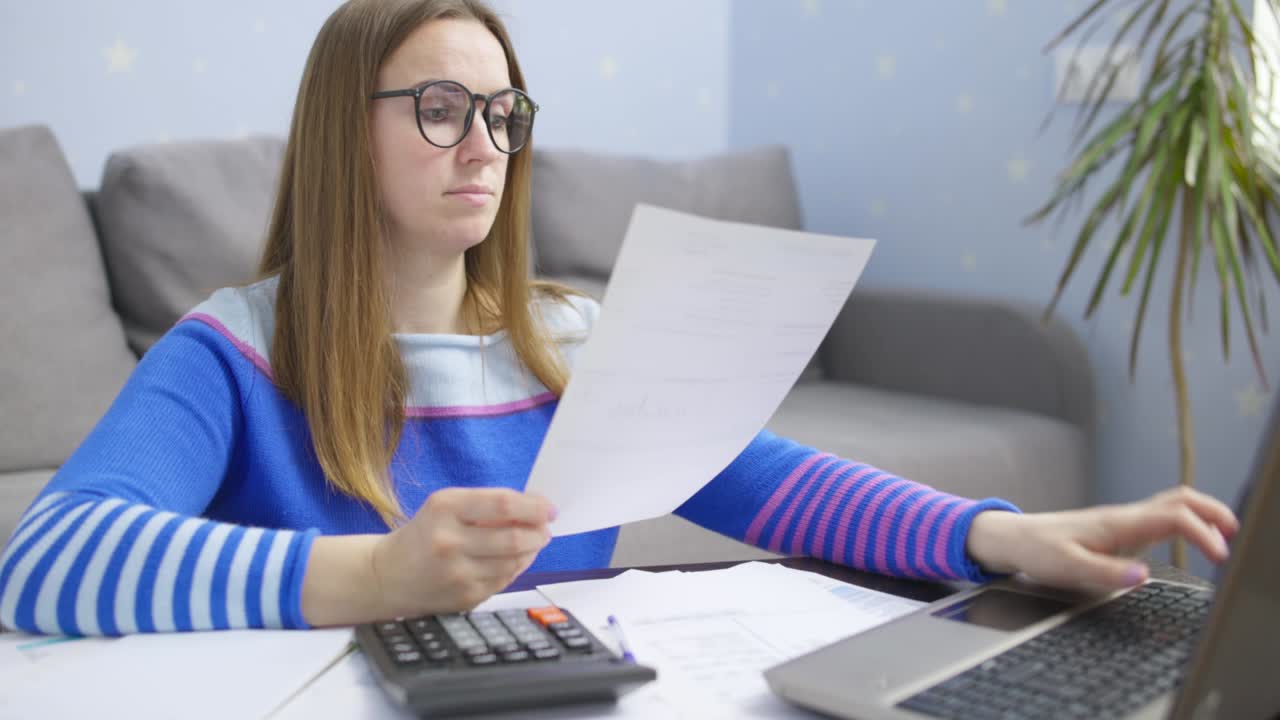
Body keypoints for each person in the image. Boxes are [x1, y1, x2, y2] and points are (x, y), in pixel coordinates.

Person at [0, 0, 1238, 637]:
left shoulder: (565, 342)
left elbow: (770, 484)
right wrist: (377, 573)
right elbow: (44, 563)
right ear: (342, 131)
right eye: (439, 106)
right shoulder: (232, 348)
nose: (482, 142)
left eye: (502, 113)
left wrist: (1003, 539)